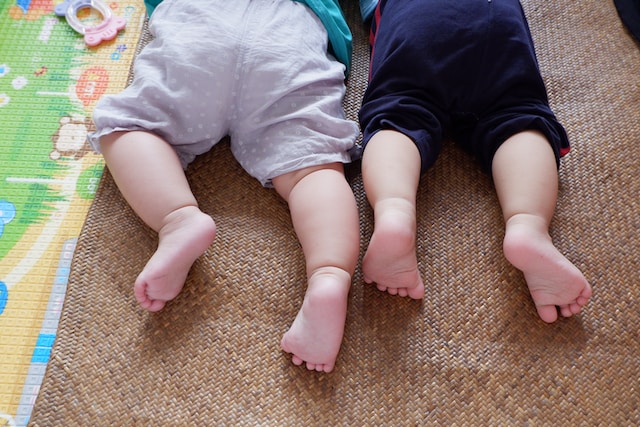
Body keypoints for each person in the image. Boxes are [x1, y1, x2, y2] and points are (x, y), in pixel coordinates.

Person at [88, 0, 361, 372]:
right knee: (311, 170)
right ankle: (329, 275)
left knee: (131, 128)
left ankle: (178, 219)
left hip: (201, 29)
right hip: (288, 38)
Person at [357, 0, 592, 322]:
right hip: (493, 18)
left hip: (416, 21)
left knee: (400, 115)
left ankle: (394, 212)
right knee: (515, 114)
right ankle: (528, 226)